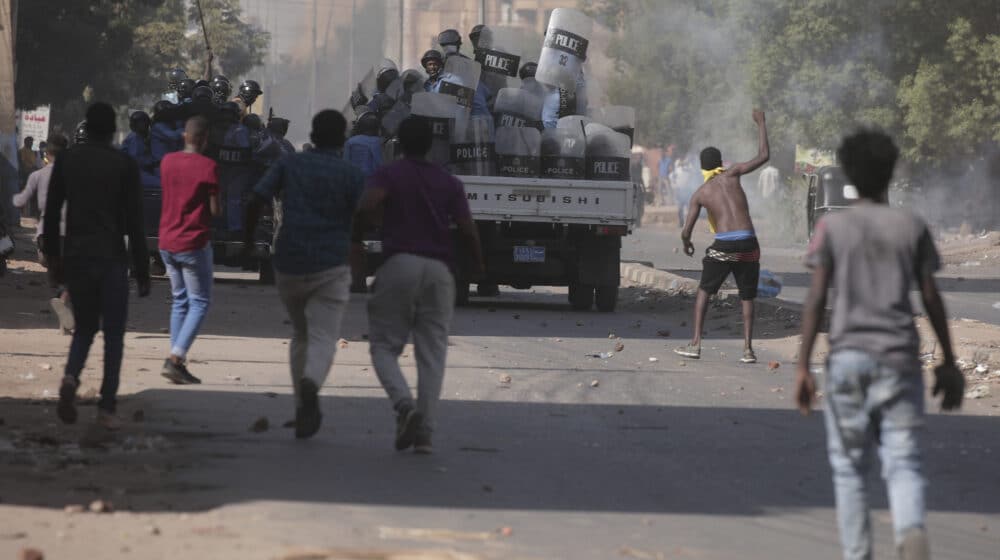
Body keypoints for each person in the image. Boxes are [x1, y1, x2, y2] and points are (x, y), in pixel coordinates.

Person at [795, 129, 965, 560]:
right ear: (891, 173)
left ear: (847, 173)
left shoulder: (831, 226)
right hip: (899, 359)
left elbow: (817, 297)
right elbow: (930, 296)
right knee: (903, 461)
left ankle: (859, 554)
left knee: (850, 469)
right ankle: (910, 530)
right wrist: (948, 360)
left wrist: (801, 367)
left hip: (848, 358)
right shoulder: (911, 225)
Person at [352, 116, 485, 454]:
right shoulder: (449, 182)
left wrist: (358, 238)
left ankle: (403, 405)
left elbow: (367, 205)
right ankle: (424, 432)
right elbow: (468, 230)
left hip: (400, 265)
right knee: (432, 354)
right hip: (440, 271)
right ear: (431, 146)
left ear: (398, 143)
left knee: (383, 347)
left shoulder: (390, 174)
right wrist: (477, 266)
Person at [243, 110, 364, 439]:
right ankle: (311, 384)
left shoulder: (290, 163)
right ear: (342, 139)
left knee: (300, 334)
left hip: (290, 262)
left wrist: (246, 240)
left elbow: (257, 197)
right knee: (323, 336)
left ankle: (301, 406)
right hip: (331, 264)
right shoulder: (351, 174)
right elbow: (365, 215)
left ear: (312, 132)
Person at [43, 102, 150, 430]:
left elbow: (50, 214)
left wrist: (53, 260)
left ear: (87, 127)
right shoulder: (124, 164)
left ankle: (71, 378)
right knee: (114, 335)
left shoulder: (68, 161)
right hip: (111, 259)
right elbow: (134, 222)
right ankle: (106, 407)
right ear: (112, 129)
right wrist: (143, 270)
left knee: (85, 329)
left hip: (76, 256)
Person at [674, 109, 768, 364]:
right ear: (721, 162)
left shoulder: (701, 193)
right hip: (749, 243)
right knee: (747, 295)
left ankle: (695, 344)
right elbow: (764, 155)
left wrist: (687, 243)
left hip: (724, 246)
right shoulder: (734, 173)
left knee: (705, 291)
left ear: (701, 167)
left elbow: (686, 230)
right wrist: (761, 123)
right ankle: (748, 350)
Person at [158, 116, 220, 385]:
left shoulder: (167, 162)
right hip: (193, 242)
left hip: (166, 241)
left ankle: (177, 362)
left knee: (180, 300)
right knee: (200, 302)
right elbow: (216, 210)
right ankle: (175, 358)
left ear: (184, 136)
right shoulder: (209, 167)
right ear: (205, 140)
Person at [12, 134, 74, 332]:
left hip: (44, 235)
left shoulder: (37, 175)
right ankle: (62, 299)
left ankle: (59, 298)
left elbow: (20, 201)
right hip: (69, 233)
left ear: (46, 154)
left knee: (55, 274)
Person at [344, 111, 382, 178]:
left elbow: (345, 162)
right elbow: (378, 164)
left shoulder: (350, 141)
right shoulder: (376, 141)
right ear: (376, 129)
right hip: (369, 178)